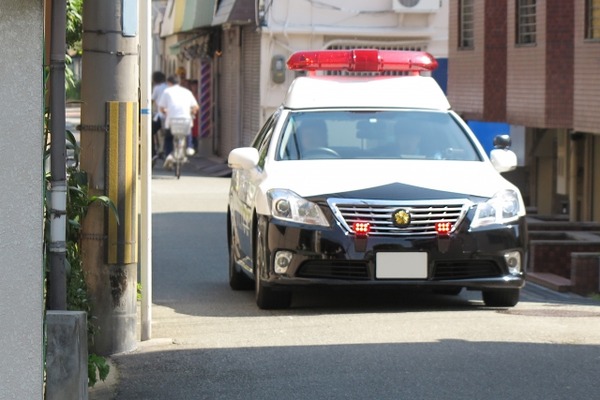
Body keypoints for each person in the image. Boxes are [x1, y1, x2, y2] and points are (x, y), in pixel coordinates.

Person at [158, 74, 199, 169]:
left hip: (172, 120)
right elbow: (196, 107)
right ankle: (189, 146)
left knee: (168, 138)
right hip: (185, 120)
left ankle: (168, 155)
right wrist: (192, 112)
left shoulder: (167, 91)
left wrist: (165, 112)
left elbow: (161, 107)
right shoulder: (187, 92)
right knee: (187, 129)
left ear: (169, 83)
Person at [151, 71, 167, 165]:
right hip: (170, 116)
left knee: (150, 131)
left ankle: (152, 153)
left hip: (160, 115)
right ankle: (163, 150)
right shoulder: (168, 87)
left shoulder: (157, 88)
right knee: (167, 135)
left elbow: (151, 101)